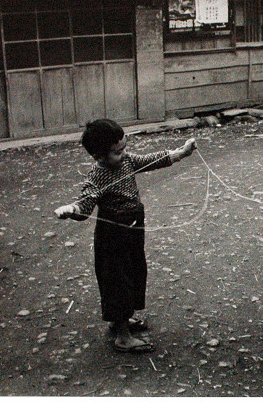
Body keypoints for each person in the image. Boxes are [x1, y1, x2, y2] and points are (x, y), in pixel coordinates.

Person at [54, 119, 197, 353]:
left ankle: (120, 319)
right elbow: (86, 203)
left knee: (134, 272)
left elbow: (152, 160)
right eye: (117, 152)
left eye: (124, 148)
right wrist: (72, 210)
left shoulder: (127, 161)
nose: (124, 153)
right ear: (98, 155)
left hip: (133, 228)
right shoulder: (97, 176)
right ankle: (122, 337)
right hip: (113, 236)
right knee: (117, 281)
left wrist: (181, 153)